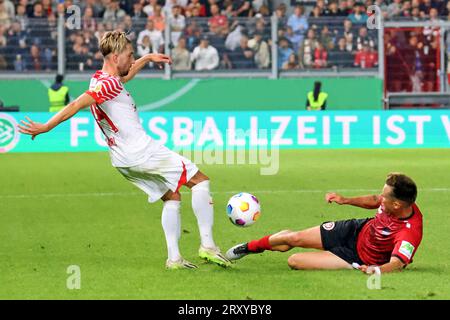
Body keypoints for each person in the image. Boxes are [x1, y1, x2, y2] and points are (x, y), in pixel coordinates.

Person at [18, 31, 231, 270]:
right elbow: (77, 104)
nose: (132, 60)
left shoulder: (101, 78)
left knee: (172, 196)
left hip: (122, 160)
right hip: (141, 151)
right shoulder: (107, 84)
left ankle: (174, 259)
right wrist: (46, 126)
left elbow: (125, 76)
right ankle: (208, 246)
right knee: (200, 182)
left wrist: (148, 58)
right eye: (130, 55)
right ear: (115, 56)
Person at [226, 173, 423, 275]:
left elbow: (397, 264)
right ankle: (248, 248)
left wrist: (376, 270)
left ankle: (344, 262)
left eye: (385, 196)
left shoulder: (410, 231)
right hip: (355, 230)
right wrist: (345, 200)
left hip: (358, 257)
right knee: (293, 237)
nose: (381, 198)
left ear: (397, 204)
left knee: (294, 261)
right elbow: (374, 199)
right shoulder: (389, 202)